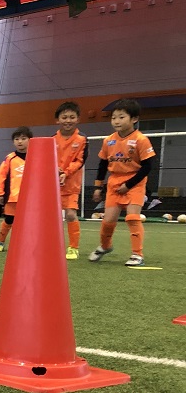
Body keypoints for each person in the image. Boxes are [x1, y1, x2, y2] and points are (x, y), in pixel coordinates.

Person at [88, 98, 157, 267]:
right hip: (114, 182)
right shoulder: (108, 141)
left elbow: (147, 166)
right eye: (113, 118)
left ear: (134, 119)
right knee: (108, 221)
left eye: (121, 117)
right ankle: (105, 246)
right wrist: (98, 186)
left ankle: (137, 254)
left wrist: (129, 185)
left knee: (132, 217)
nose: (116, 121)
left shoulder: (141, 140)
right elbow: (102, 165)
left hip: (135, 182)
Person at [53, 101, 88, 260]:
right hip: (53, 185)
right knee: (50, 217)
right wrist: (55, 170)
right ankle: (51, 245)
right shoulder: (52, 139)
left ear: (78, 119)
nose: (68, 120)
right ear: (57, 120)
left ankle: (73, 247)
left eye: (72, 117)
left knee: (71, 215)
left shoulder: (82, 140)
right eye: (64, 117)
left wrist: (65, 173)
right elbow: (46, 160)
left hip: (72, 184)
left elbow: (80, 161)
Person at [0, 126, 31, 252]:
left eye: (23, 138)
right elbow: (1, 176)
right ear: (13, 141)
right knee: (9, 220)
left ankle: (26, 244)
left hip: (31, 198)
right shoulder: (10, 158)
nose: (20, 141)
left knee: (29, 222)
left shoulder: (35, 157)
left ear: (30, 140)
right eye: (17, 139)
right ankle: (1, 242)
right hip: (12, 197)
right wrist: (0, 193)